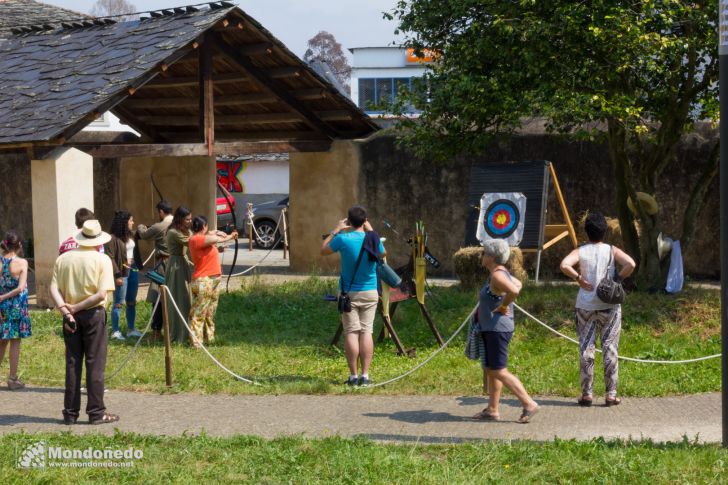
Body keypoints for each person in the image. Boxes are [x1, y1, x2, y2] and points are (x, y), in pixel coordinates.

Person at [560, 212, 636, 407]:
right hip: (609, 306)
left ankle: (587, 394)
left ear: (586, 232)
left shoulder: (582, 250)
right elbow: (631, 264)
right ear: (605, 231)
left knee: (587, 348)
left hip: (585, 304)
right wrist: (617, 278)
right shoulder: (611, 250)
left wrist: (578, 278)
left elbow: (564, 265)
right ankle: (611, 394)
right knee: (610, 347)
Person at [49, 219, 118, 425]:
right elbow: (100, 294)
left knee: (72, 363)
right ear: (98, 239)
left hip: (70, 315)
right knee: (95, 363)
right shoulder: (101, 259)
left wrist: (66, 310)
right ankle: (96, 412)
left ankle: (70, 412)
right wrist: (77, 308)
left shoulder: (64, 259)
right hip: (92, 314)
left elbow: (53, 288)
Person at [471, 239, 539, 423]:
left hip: (497, 329)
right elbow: (517, 284)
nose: (482, 255)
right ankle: (492, 409)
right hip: (494, 329)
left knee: (498, 370)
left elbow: (514, 291)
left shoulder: (497, 276)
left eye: (484, 253)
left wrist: (503, 306)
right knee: (493, 368)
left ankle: (529, 404)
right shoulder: (501, 273)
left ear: (492, 257)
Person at [321, 205, 384, 386]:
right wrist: (370, 229)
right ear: (365, 221)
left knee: (351, 332)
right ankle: (365, 376)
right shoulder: (372, 239)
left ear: (348, 221)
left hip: (349, 293)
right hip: (370, 291)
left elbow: (323, 249)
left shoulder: (343, 239)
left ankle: (353, 376)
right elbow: (383, 253)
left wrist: (336, 229)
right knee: (367, 331)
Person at [188, 216, 237, 347]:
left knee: (210, 311)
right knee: (199, 311)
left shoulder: (204, 239)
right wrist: (229, 236)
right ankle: (196, 343)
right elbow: (215, 238)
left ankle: (209, 338)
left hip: (214, 279)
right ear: (203, 227)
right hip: (204, 280)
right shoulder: (195, 239)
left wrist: (216, 231)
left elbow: (212, 237)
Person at [136, 200, 173, 341]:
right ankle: (172, 330)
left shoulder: (160, 225)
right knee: (174, 297)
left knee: (157, 296)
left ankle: (156, 332)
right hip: (177, 265)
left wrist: (141, 226)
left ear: (161, 212)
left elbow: (144, 234)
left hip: (164, 266)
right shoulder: (178, 224)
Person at [0, 231, 31, 390]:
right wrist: (5, 297)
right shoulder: (22, 263)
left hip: (2, 308)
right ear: (19, 245)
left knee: (2, 341)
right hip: (17, 306)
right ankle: (12, 379)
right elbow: (20, 288)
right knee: (15, 342)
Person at [105, 211, 140, 340]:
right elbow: (110, 257)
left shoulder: (130, 235)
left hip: (133, 269)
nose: (133, 222)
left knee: (131, 301)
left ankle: (131, 329)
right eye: (131, 220)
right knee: (118, 302)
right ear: (124, 222)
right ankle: (115, 331)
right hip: (122, 272)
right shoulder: (112, 239)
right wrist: (117, 275)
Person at [165, 207, 194, 344]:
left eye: (190, 219)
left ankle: (188, 331)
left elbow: (196, 237)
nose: (190, 221)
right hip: (176, 266)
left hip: (183, 263)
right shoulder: (173, 232)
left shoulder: (185, 231)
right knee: (178, 299)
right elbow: (193, 242)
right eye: (187, 219)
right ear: (180, 219)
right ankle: (178, 333)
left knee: (187, 298)